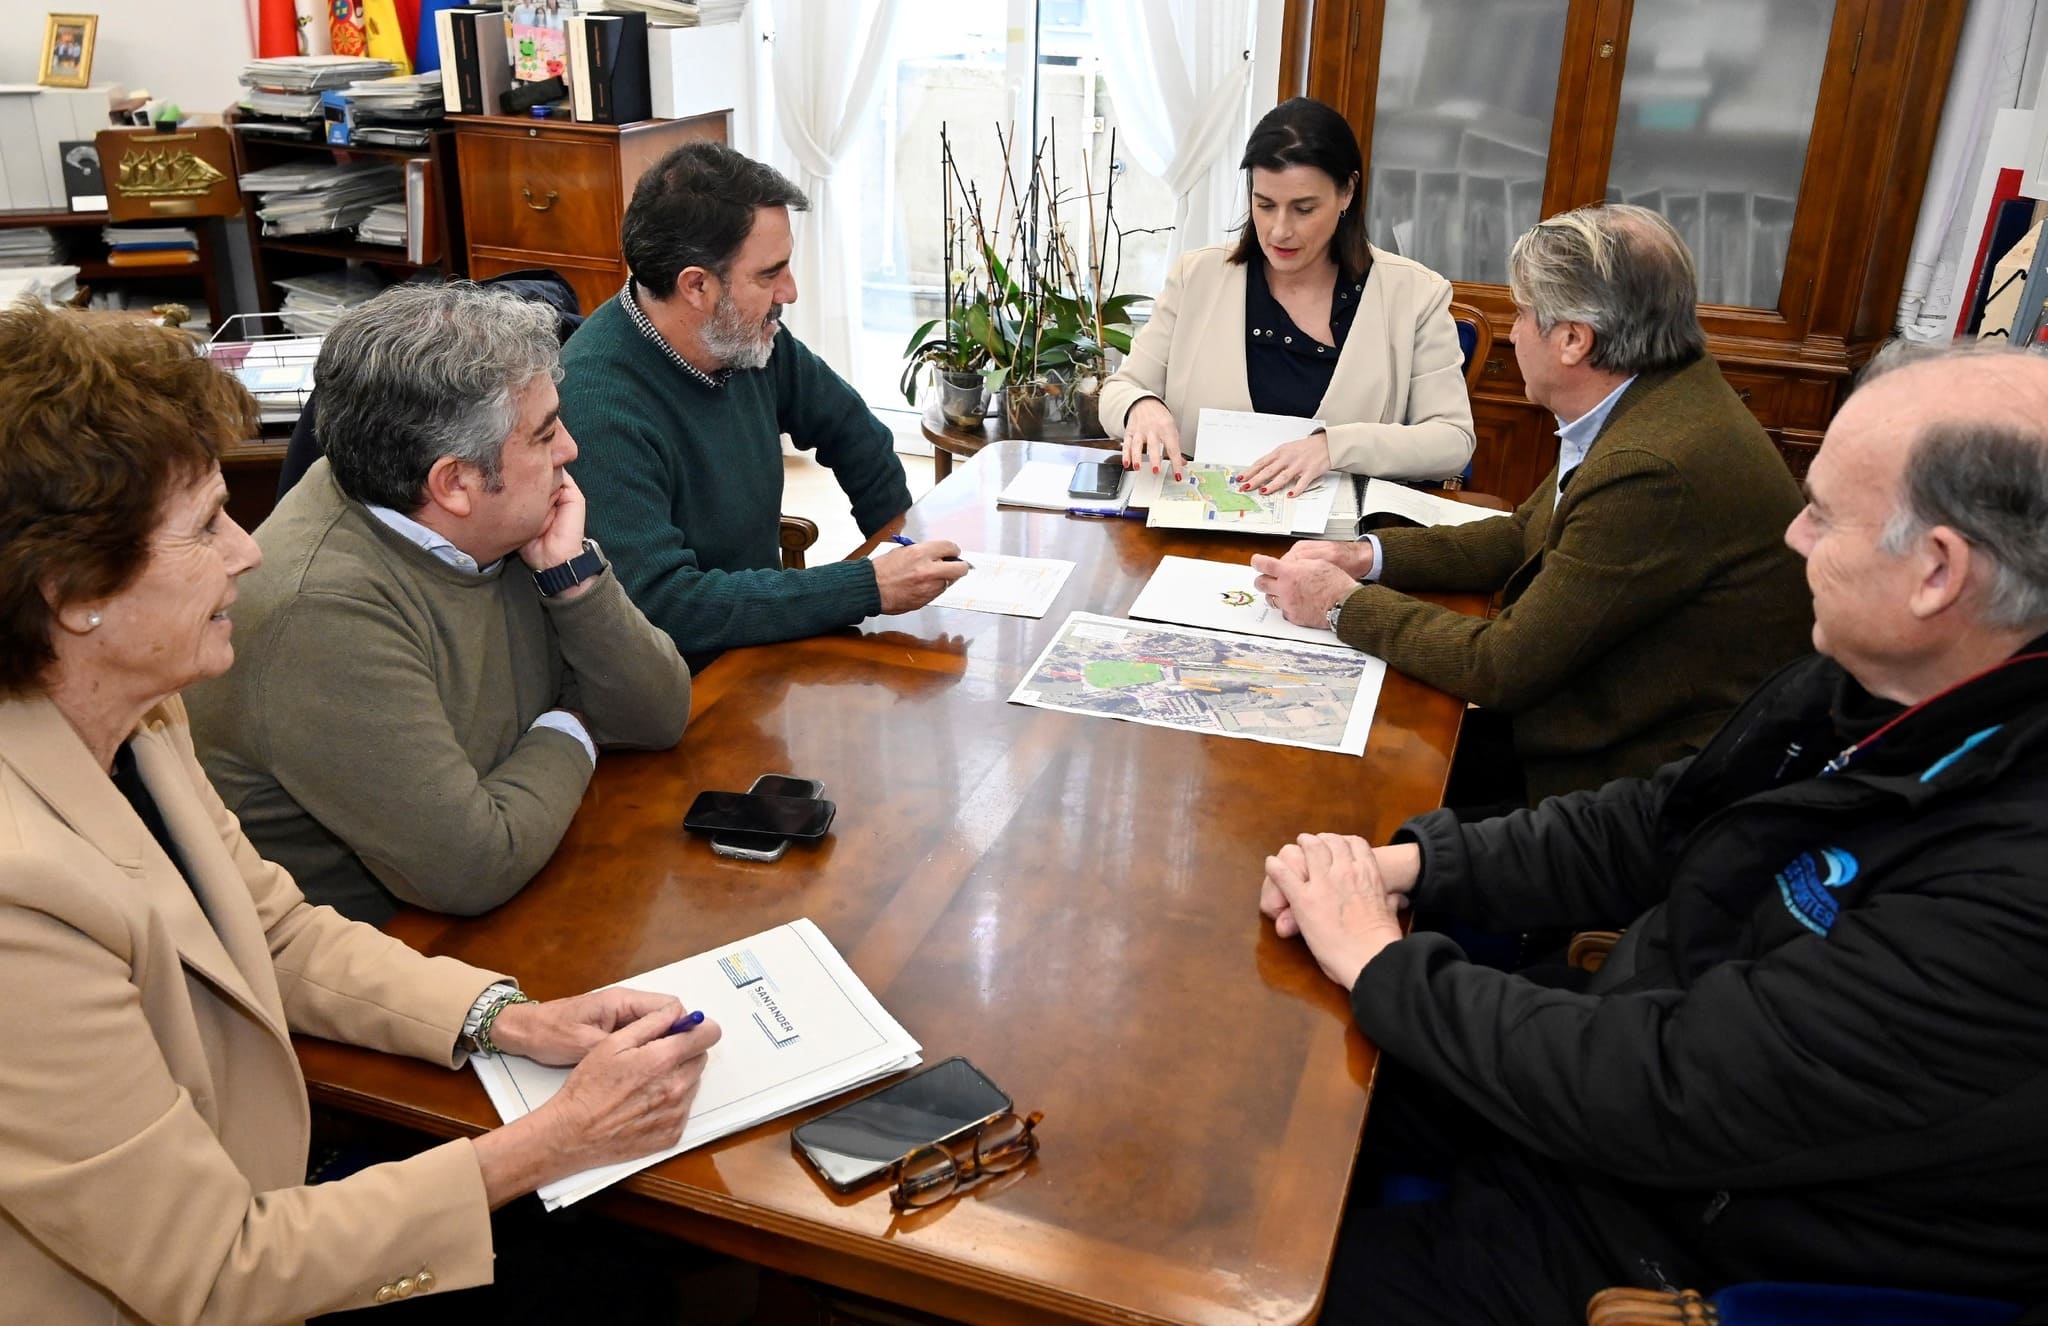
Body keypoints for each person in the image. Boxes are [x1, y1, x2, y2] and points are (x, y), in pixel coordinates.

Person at [1259, 340, 2048, 1324]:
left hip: (1664, 1240)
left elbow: (1669, 1091)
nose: (1791, 538)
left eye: (1822, 514)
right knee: (1255, 1086)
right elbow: (1655, 822)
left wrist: (1379, 964)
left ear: (1936, 573)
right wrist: (1412, 864)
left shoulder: (2010, 883)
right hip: (1622, 1061)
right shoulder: (1883, 675)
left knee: (1236, 1282)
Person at [0, 300, 723, 1321]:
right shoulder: (16, 901)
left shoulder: (138, 716)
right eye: (208, 525)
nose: (248, 554)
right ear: (74, 591)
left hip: (274, 1171)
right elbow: (215, 1271)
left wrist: (506, 1017)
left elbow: (275, 930)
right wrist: (552, 1142)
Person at [1253, 203, 1812, 803]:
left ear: (1574, 339)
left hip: (1634, 781)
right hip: (1600, 718)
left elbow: (1502, 666)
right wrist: (1365, 557)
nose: (1513, 332)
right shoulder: (1654, 396)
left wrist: (1342, 607)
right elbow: (1523, 533)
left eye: (1521, 313)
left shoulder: (1650, 467)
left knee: (1343, 795)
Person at [187, 283, 694, 924]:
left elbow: (658, 714)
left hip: (541, 878)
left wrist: (575, 580)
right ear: (454, 483)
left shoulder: (501, 520)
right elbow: (475, 865)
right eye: (544, 435)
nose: (570, 449)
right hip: (385, 962)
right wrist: (577, 723)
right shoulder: (319, 613)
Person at [558, 142, 966, 670]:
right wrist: (867, 586)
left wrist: (902, 546)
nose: (790, 291)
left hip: (758, 649)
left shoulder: (746, 339)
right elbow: (665, 605)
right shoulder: (596, 405)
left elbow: (852, 430)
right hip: (679, 688)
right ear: (697, 285)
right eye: (769, 274)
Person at [1100, 96, 1475, 493]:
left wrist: (1334, 447)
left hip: (1337, 544)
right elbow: (1118, 392)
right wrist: (1139, 406)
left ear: (1347, 191)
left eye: (1304, 209)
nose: (1280, 231)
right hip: (1200, 525)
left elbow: (1452, 441)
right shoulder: (1197, 277)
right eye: (1265, 205)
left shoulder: (1415, 295)